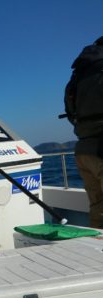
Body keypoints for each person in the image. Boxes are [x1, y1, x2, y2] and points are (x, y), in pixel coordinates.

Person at [64, 36, 103, 228]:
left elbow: (70, 112)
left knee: (98, 209)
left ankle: (97, 256)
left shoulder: (79, 74)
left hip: (84, 149)